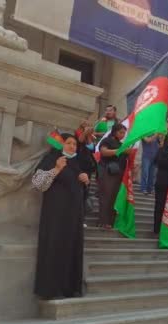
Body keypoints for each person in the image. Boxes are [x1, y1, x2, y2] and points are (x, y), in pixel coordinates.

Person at [32, 133, 89, 299]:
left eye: (74, 144)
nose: (72, 146)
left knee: (71, 247)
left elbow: (79, 189)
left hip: (73, 215)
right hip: (55, 214)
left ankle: (69, 288)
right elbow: (37, 184)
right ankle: (50, 290)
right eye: (69, 143)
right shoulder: (51, 159)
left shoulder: (76, 163)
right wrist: (56, 169)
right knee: (53, 247)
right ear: (61, 144)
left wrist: (85, 180)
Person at [97, 124, 127, 229]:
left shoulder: (122, 144)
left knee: (114, 198)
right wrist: (120, 151)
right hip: (106, 171)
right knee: (106, 196)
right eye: (121, 132)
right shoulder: (107, 140)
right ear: (114, 131)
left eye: (124, 133)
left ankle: (111, 221)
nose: (123, 135)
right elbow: (103, 152)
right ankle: (103, 221)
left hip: (118, 173)